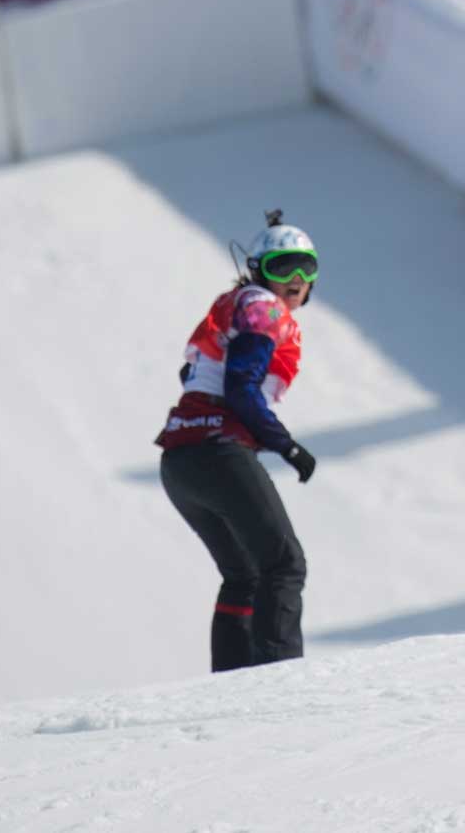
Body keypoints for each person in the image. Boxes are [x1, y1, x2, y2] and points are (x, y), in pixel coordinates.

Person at [156, 210, 319, 673]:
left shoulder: (235, 304)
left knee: (244, 574)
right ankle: (279, 676)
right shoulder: (265, 309)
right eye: (282, 267)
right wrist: (287, 446)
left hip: (179, 460)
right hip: (217, 451)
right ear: (258, 270)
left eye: (306, 268)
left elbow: (191, 372)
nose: (296, 280)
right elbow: (241, 388)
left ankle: (230, 683)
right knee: (284, 565)